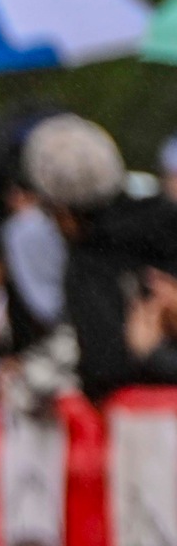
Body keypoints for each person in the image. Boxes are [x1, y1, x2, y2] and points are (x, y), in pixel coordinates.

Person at [23, 115, 177, 400]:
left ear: (63, 213)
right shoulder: (166, 221)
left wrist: (153, 355)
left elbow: (103, 368)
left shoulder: (88, 263)